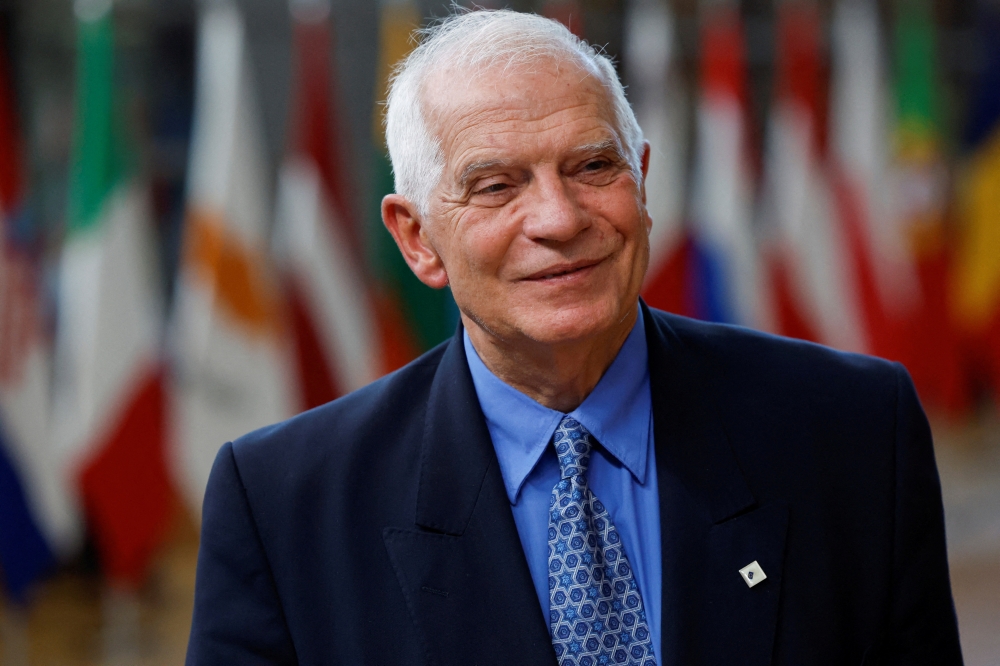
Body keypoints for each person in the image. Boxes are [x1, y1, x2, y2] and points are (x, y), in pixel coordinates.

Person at [186, 10, 962, 665]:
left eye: (592, 166)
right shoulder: (283, 504)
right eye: (496, 185)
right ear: (417, 239)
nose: (558, 219)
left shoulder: (856, 431)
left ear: (643, 183)